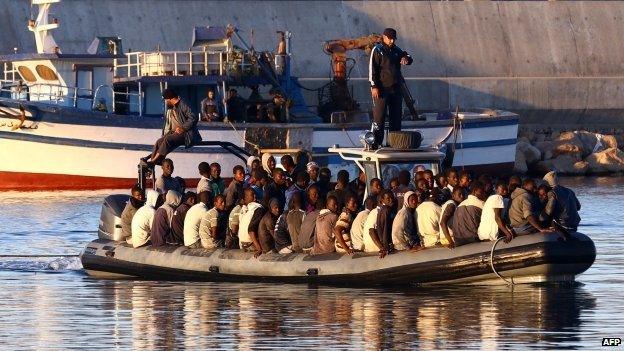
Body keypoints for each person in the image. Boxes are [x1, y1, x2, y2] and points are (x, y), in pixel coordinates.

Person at [368, 27, 413, 147]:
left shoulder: (396, 50)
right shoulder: (377, 50)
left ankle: (394, 143)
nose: (392, 41)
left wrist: (406, 58)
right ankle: (376, 143)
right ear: (384, 37)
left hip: (395, 88)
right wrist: (374, 86)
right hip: (382, 89)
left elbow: (408, 56)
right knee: (379, 118)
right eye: (390, 39)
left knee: (396, 117)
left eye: (394, 39)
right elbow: (372, 69)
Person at [144, 88, 201, 165]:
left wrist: (183, 128)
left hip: (187, 134)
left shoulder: (184, 104)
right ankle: (155, 161)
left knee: (168, 139)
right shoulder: (174, 106)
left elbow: (194, 117)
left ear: (170, 98)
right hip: (177, 132)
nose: (166, 102)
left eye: (166, 100)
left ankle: (153, 162)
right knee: (159, 141)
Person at [453, 182, 487, 246]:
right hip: (474, 241)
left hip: (458, 241)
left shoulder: (459, 205)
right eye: (482, 192)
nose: (484, 194)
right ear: (475, 191)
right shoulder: (482, 204)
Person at [366, 190, 395, 258]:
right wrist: (382, 248)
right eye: (388, 199)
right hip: (376, 247)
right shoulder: (382, 211)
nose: (391, 200)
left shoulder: (386, 210)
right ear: (382, 201)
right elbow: (371, 231)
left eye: (392, 198)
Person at [238, 188, 266, 257]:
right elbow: (251, 230)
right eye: (252, 195)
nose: (255, 197)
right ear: (245, 198)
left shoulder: (244, 210)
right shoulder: (258, 209)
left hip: (243, 245)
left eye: (255, 194)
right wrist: (259, 249)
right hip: (252, 244)